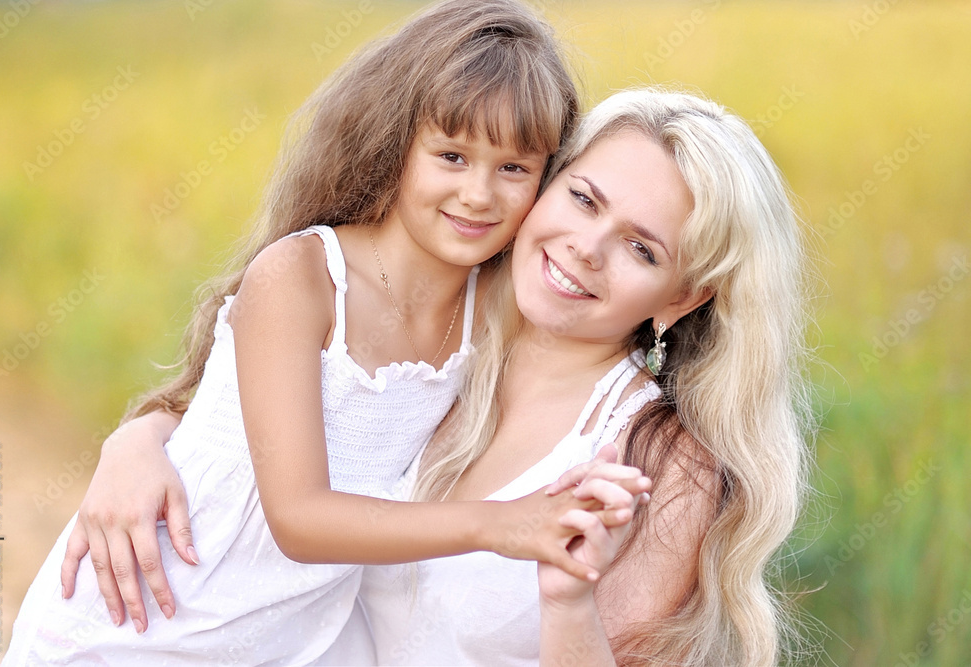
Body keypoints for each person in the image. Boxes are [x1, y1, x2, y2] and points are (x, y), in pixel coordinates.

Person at [55, 87, 816, 666]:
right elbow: (263, 413)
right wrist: (139, 439)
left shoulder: (657, 462)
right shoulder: (450, 338)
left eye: (641, 249)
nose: (585, 247)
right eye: (583, 198)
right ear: (546, 186)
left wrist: (567, 600)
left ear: (683, 297)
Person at [4, 2, 647, 665]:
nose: (480, 193)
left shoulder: (495, 308)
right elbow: (299, 518)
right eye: (452, 155)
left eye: (514, 167)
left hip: (292, 645)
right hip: (147, 622)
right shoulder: (303, 277)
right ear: (398, 143)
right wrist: (505, 525)